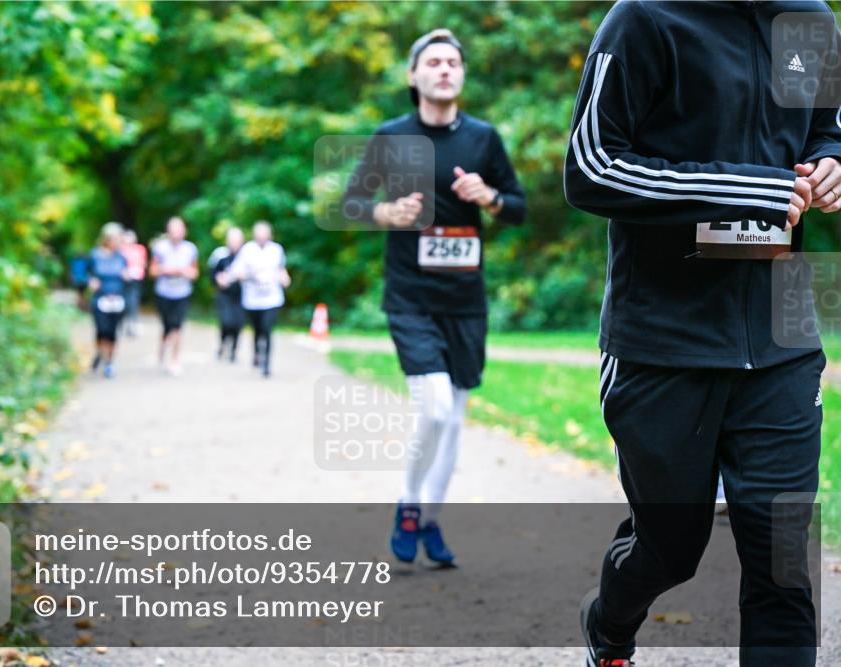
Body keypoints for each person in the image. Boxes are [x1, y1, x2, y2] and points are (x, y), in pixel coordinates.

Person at [563, 2, 839, 665]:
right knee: (670, 547)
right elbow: (591, 167)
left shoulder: (809, 18)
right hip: (663, 339)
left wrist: (832, 159)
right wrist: (746, 188)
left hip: (782, 333)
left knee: (783, 558)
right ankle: (609, 620)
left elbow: (826, 126)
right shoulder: (642, 19)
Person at [341, 28, 526, 566]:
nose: (445, 69)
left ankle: (431, 519)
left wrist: (487, 197)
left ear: (461, 75)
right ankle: (409, 503)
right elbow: (351, 203)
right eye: (434, 62)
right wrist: (384, 213)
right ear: (413, 76)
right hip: (411, 298)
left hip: (465, 300)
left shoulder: (484, 139)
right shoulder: (391, 135)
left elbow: (518, 207)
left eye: (453, 62)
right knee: (437, 408)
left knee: (455, 417)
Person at [219, 221, 290, 377]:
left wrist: (284, 278)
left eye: (265, 233)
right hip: (252, 299)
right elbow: (236, 270)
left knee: (267, 329)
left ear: (270, 235)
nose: (262, 236)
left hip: (272, 298)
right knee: (258, 330)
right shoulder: (248, 249)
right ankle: (257, 353)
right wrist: (234, 277)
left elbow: (280, 268)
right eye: (259, 233)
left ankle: (267, 364)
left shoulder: (276, 250)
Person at [149, 216, 199, 376]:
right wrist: (166, 270)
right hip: (164, 293)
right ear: (168, 231)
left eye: (179, 230)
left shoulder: (190, 249)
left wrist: (185, 272)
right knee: (167, 327)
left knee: (177, 327)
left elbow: (195, 272)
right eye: (173, 230)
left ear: (184, 231)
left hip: (182, 293)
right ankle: (162, 349)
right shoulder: (160, 247)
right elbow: (152, 270)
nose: (176, 233)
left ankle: (174, 360)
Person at [87, 222, 129, 379]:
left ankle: (109, 362)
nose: (117, 242)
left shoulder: (121, 257)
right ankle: (101, 353)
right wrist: (91, 281)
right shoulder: (95, 255)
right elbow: (84, 274)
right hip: (100, 299)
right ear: (107, 239)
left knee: (112, 332)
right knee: (102, 331)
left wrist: (127, 276)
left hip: (117, 299)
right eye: (115, 239)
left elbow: (126, 275)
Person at [207, 226, 247, 362]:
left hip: (241, 295)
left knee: (238, 323)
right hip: (224, 294)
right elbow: (211, 273)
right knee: (226, 321)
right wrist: (218, 279)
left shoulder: (246, 255)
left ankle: (234, 350)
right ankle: (223, 344)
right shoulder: (219, 254)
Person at [119, 229, 148, 337]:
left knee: (134, 302)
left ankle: (132, 325)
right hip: (124, 280)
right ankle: (121, 324)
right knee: (124, 302)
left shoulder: (140, 249)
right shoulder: (120, 250)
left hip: (137, 278)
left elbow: (143, 263)